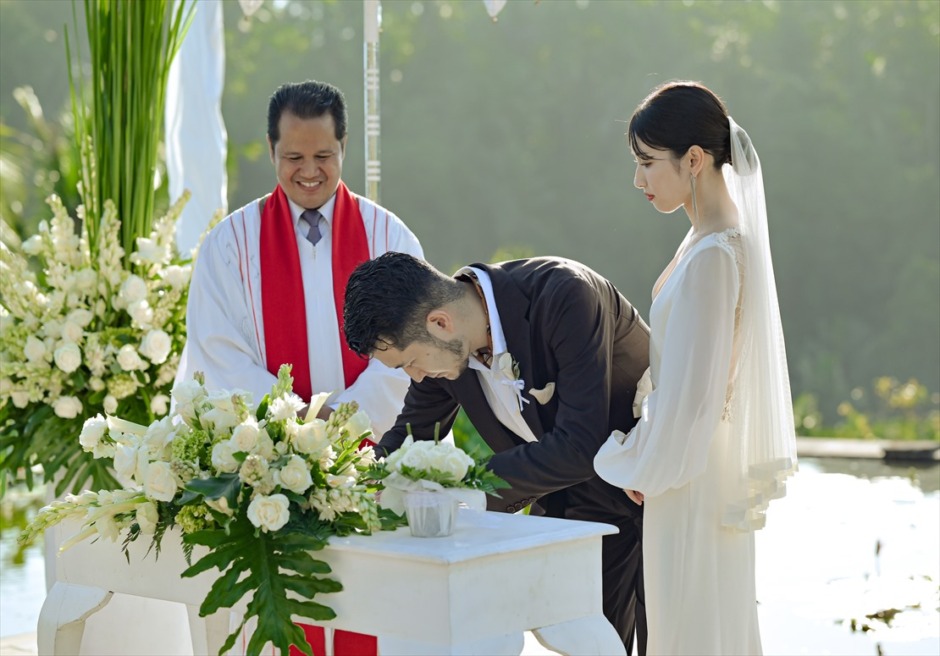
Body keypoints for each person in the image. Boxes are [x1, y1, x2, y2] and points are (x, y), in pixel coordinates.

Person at [175, 80, 423, 656]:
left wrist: (345, 423)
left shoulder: (389, 237)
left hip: (367, 461)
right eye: (294, 157)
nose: (308, 171)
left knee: (368, 609)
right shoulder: (229, 245)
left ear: (343, 150)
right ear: (270, 150)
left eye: (323, 157)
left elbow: (412, 350)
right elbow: (218, 352)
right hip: (265, 468)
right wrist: (299, 427)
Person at [343, 252, 651, 655]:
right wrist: (344, 491)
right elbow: (409, 437)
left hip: (656, 495)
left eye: (411, 363)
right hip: (575, 513)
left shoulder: (564, 293)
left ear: (439, 322)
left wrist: (462, 489)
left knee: (673, 642)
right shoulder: (447, 352)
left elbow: (580, 444)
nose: (415, 377)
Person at [593, 81, 798, 655]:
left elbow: (698, 394)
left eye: (646, 163)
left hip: (693, 472)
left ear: (695, 159)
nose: (638, 180)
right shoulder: (705, 239)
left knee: (691, 620)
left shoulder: (713, 254)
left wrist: (642, 463)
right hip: (696, 463)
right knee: (694, 617)